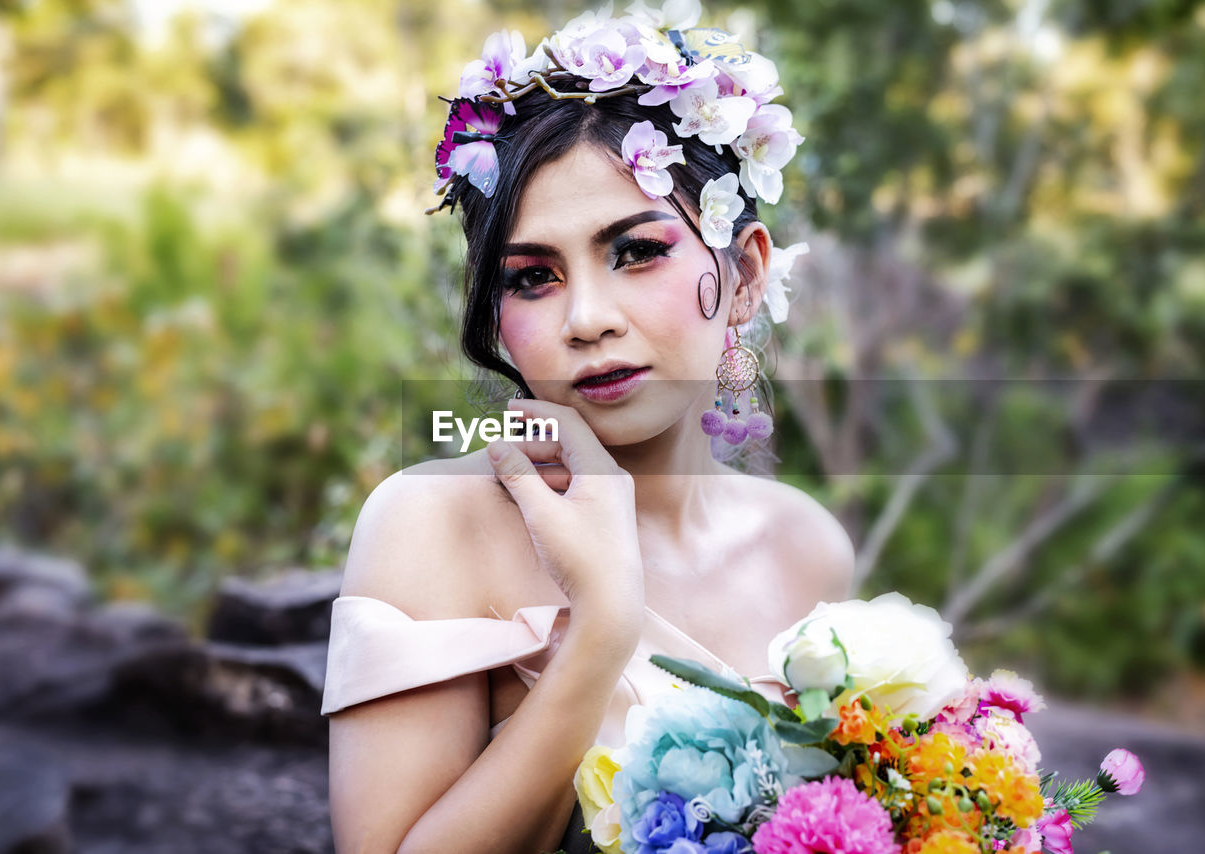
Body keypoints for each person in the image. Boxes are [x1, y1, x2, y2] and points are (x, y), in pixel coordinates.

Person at [321, 4, 854, 852]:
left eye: (637, 251)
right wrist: (602, 627)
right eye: (533, 276)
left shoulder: (808, 547)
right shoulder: (432, 526)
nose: (587, 318)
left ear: (744, 274)